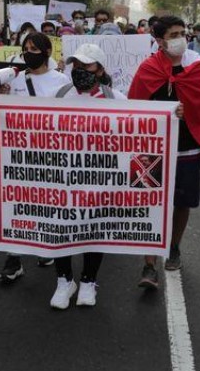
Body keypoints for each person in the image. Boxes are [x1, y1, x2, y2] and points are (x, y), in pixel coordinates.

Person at [129, 15, 200, 286]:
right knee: (149, 204)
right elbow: (135, 108)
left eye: (182, 33)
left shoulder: (197, 66)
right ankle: (149, 264)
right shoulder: (147, 68)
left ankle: (174, 245)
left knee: (182, 203)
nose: (180, 38)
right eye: (173, 34)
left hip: (187, 147)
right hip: (152, 148)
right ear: (159, 41)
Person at [48, 43, 127, 309]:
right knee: (62, 227)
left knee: (96, 227)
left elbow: (139, 130)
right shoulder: (59, 95)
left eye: (87, 66)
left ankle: (88, 281)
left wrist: (173, 116)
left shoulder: (115, 98)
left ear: (100, 69)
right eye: (76, 66)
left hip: (100, 179)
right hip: (63, 177)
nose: (80, 71)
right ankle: (63, 280)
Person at [0, 32, 71, 282]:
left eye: (34, 48)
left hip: (52, 153)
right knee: (18, 203)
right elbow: (2, 112)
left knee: (47, 202)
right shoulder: (15, 79)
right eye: (25, 48)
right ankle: (14, 258)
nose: (28, 52)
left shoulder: (62, 81)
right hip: (19, 154)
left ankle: (46, 247)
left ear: (47, 52)